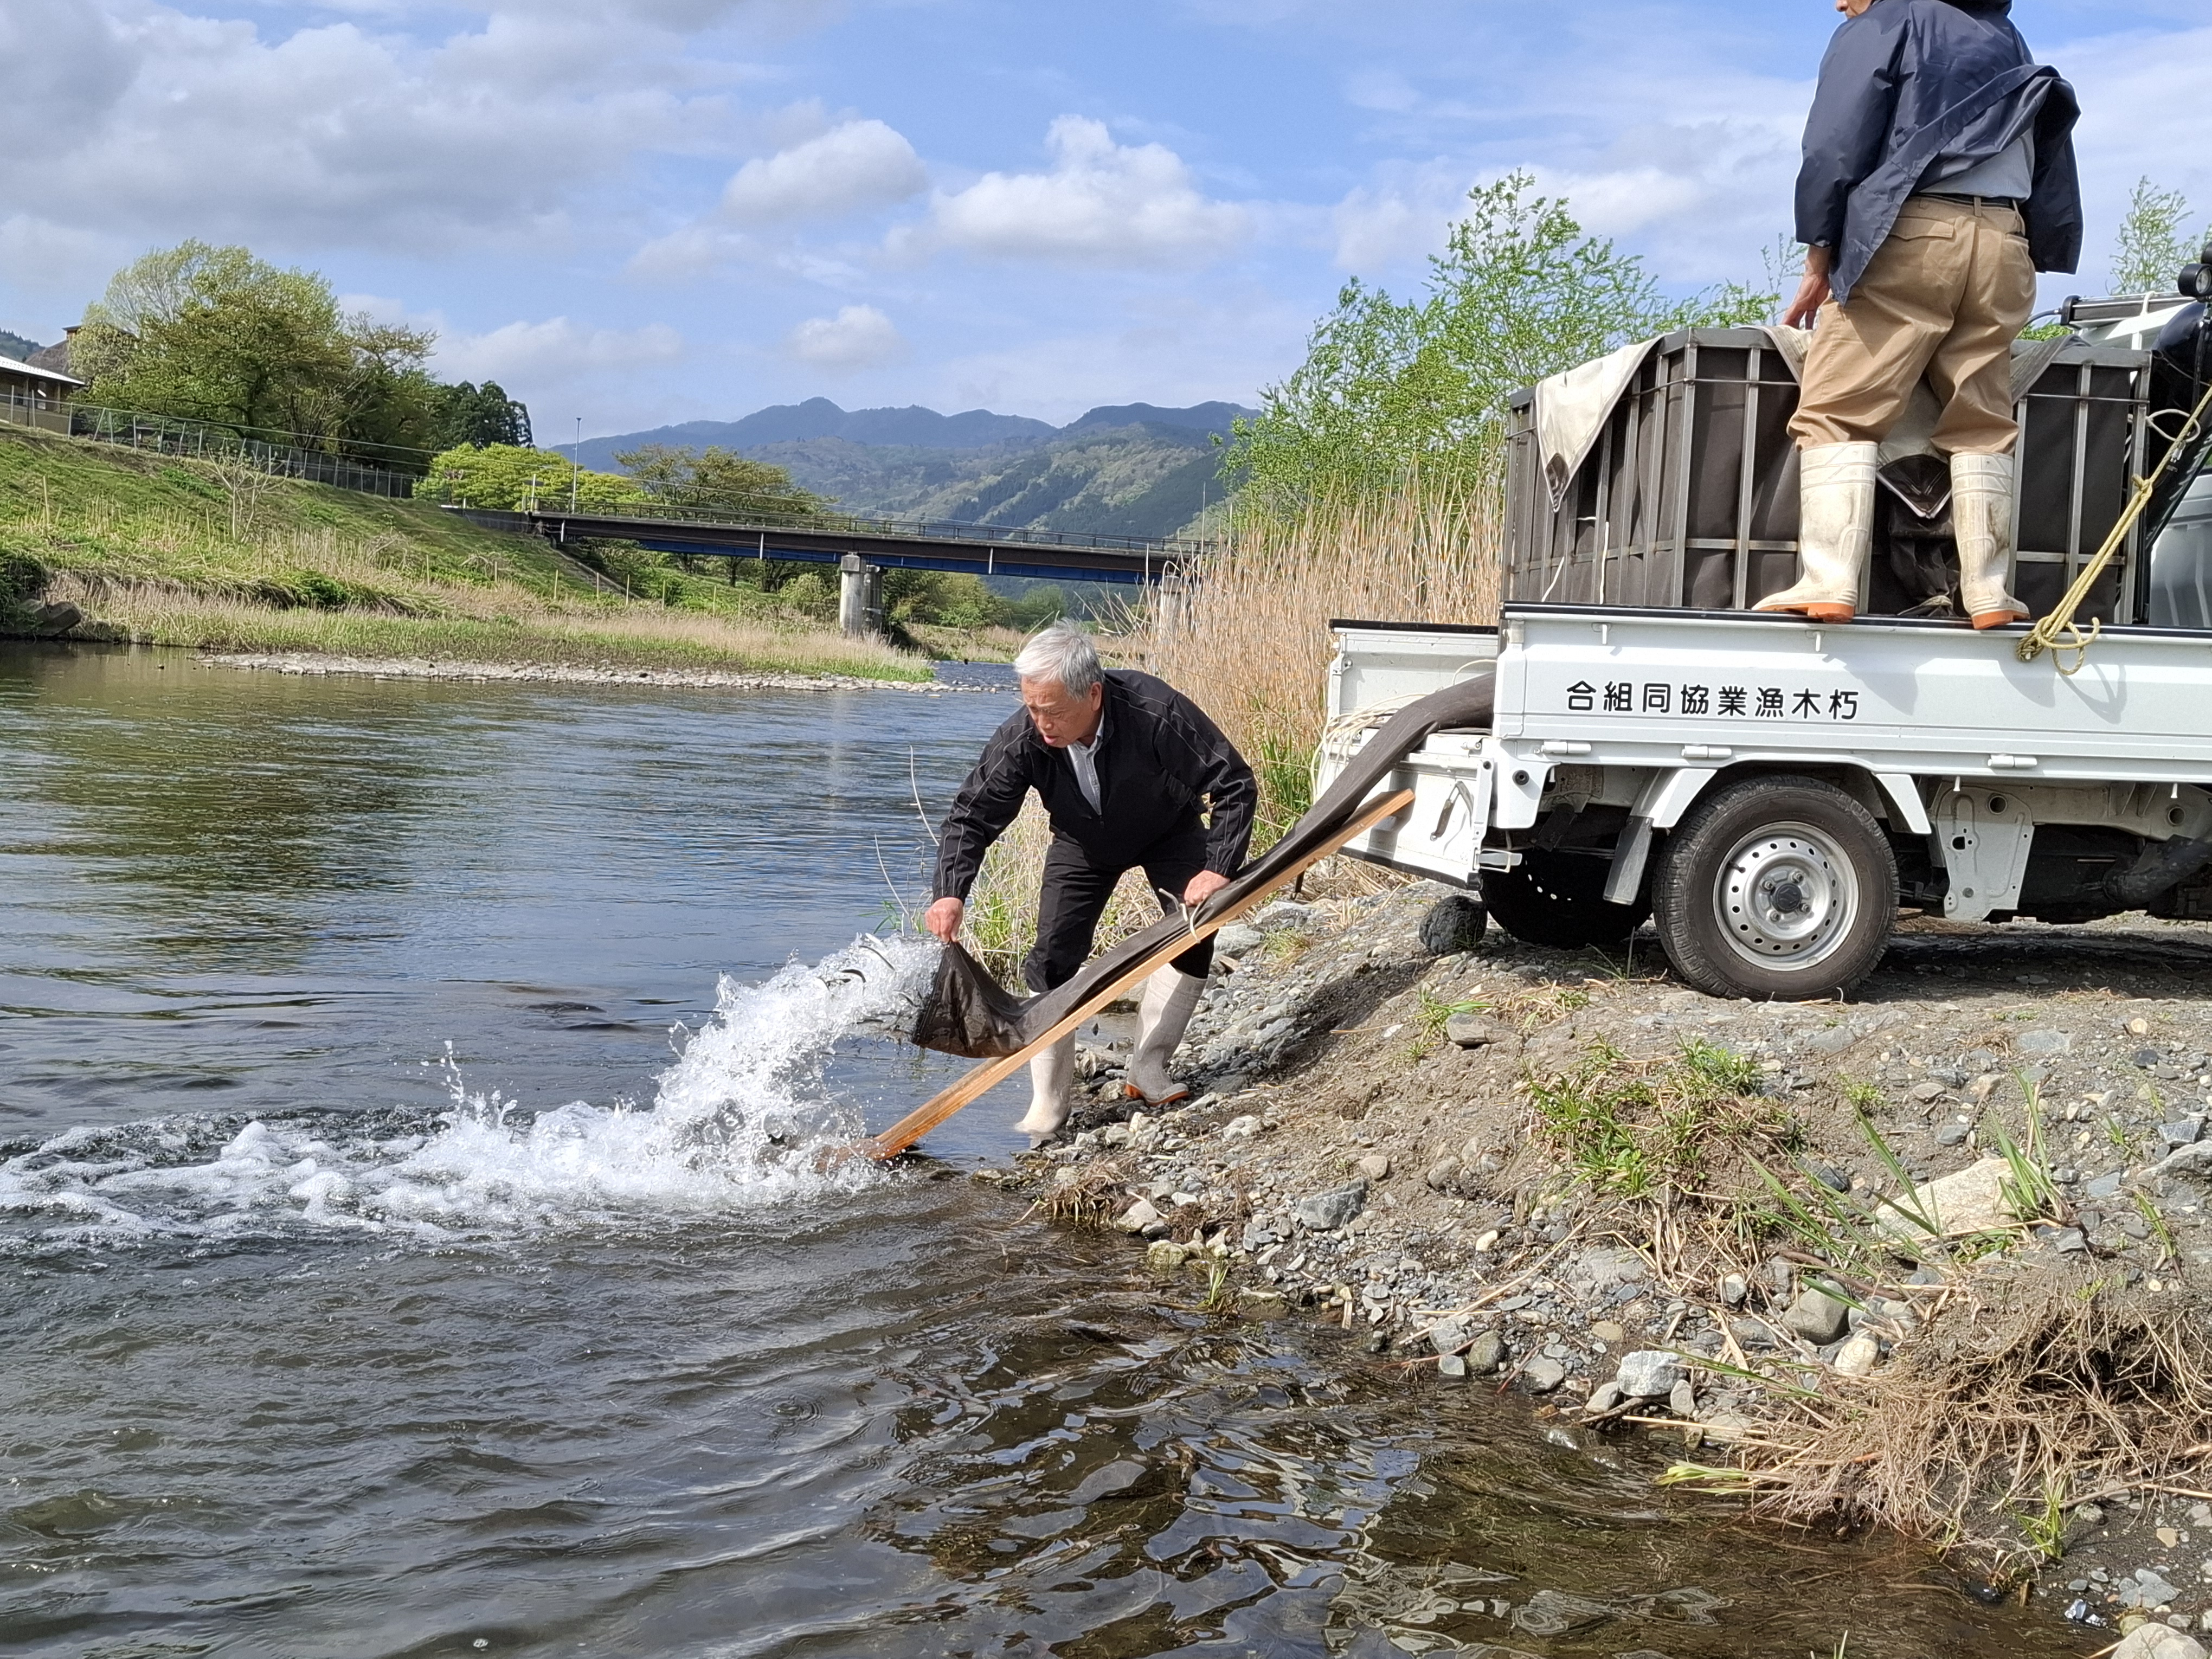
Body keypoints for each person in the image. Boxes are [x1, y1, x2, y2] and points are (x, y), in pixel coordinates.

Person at [1759, 0, 2081, 629]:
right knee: (1982, 419)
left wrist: (1819, 257)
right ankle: (1989, 591)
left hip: (1912, 233)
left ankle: (1829, 582)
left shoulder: (1886, 23)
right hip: (2006, 240)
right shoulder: (2004, 34)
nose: (1838, 3)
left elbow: (1834, 145)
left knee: (1838, 408)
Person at [924, 622, 1257, 1145]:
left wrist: (1218, 867)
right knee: (1052, 957)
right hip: (1082, 842)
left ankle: (1148, 1069)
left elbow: (1234, 782)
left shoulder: (1156, 711)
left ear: (1094, 694)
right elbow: (971, 816)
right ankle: (1049, 1102)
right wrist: (950, 891)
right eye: (1032, 707)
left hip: (1169, 831)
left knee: (1195, 932)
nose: (1041, 723)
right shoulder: (1024, 736)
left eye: (1052, 711)